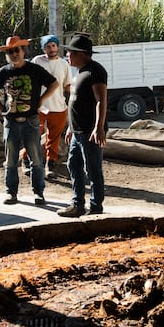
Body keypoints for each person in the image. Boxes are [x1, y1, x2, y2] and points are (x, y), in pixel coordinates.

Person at [0, 36, 58, 205]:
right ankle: (11, 193)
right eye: (10, 51)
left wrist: (41, 100)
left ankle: (38, 193)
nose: (14, 54)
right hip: (11, 121)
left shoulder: (34, 69)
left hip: (31, 120)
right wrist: (0, 107)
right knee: (11, 161)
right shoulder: (4, 71)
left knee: (36, 160)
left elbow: (54, 84)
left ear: (23, 51)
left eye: (16, 50)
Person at [57, 35, 108, 217]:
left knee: (92, 169)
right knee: (74, 165)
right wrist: (70, 127)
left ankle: (95, 207)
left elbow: (101, 100)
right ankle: (78, 204)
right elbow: (76, 102)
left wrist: (98, 127)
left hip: (89, 131)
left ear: (82, 54)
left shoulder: (95, 71)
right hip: (77, 131)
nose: (67, 56)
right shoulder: (80, 72)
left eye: (70, 52)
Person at [23, 34, 72, 178]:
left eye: (53, 46)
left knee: (53, 138)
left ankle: (50, 165)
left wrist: (80, 92)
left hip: (58, 107)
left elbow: (67, 85)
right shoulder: (37, 61)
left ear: (57, 46)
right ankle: (26, 162)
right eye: (48, 46)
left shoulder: (64, 64)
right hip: (39, 107)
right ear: (44, 49)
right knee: (33, 136)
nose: (51, 49)